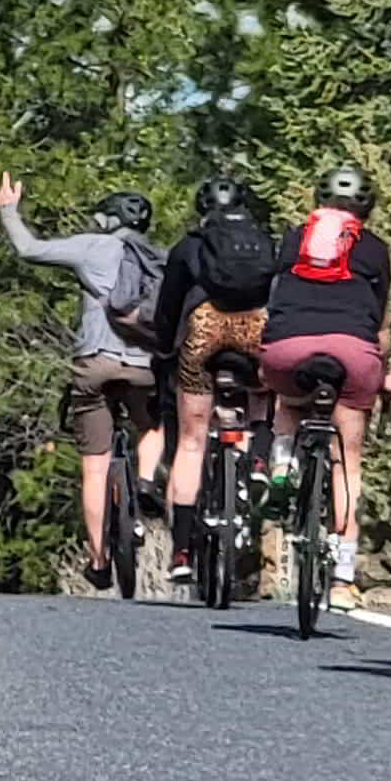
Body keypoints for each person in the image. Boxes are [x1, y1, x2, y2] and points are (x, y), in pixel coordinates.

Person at [0, 174, 166, 585]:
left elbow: (29, 249)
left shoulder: (92, 246)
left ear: (107, 220)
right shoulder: (160, 256)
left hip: (95, 362)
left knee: (94, 467)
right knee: (153, 424)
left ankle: (99, 560)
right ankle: (144, 482)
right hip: (145, 365)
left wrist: (8, 210)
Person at [257, 166, 388, 607]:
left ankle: (280, 462)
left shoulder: (293, 239)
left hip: (286, 348)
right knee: (347, 461)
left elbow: (274, 299)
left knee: (288, 401)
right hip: (353, 353)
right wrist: (385, 372)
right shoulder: (374, 249)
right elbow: (380, 323)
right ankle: (344, 577)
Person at [149, 172, 279, 564]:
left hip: (202, 335)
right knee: (263, 388)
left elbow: (167, 309)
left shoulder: (190, 245)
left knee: (191, 442)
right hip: (252, 334)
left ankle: (183, 553)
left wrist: (164, 349)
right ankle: (258, 453)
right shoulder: (264, 242)